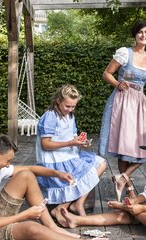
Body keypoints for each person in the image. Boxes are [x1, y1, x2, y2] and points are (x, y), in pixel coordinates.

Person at [0, 134, 123, 240]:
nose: (8, 165)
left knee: (26, 175)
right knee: (31, 228)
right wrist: (25, 215)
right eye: (7, 161)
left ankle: (52, 227)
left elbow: (32, 169)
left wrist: (58, 174)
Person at [59, 130, 146, 231]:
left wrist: (139, 208)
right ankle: (77, 220)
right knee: (120, 217)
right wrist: (136, 202)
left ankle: (129, 210)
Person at [99, 20, 146, 201]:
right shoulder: (125, 53)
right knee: (123, 146)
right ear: (135, 35)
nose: (144, 35)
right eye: (140, 32)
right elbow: (106, 73)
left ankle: (122, 177)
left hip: (140, 103)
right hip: (122, 101)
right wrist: (117, 83)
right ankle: (129, 190)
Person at [36, 85, 106, 225]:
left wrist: (81, 142)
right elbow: (45, 144)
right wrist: (70, 143)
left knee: (101, 163)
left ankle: (76, 204)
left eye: (73, 106)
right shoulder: (50, 117)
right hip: (54, 159)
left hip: (69, 155)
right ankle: (63, 207)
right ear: (57, 100)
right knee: (85, 172)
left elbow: (73, 136)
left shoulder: (69, 115)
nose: (70, 109)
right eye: (67, 106)